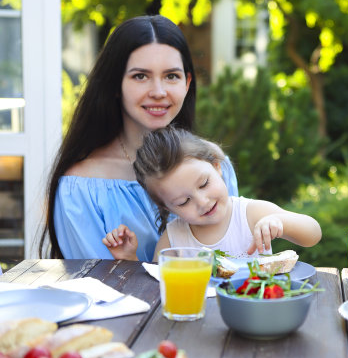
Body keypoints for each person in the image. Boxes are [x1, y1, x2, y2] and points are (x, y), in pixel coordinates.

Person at [39, 15, 238, 262]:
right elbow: (97, 289)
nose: (158, 92)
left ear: (187, 83)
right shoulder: (80, 188)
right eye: (140, 76)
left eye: (171, 76)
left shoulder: (214, 163)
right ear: (114, 85)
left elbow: (233, 259)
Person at [102, 126, 322, 260]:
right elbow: (157, 285)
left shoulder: (251, 214)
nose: (202, 201)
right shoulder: (174, 239)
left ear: (217, 167)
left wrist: (278, 221)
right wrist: (130, 258)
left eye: (204, 183)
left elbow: (313, 234)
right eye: (183, 201)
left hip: (255, 312)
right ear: (167, 207)